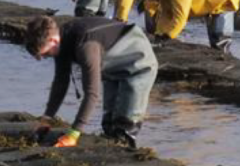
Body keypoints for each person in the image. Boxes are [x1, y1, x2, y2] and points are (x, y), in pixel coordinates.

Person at [24, 14, 158, 148]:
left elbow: (92, 94)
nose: (46, 57)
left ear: (53, 40)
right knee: (109, 124)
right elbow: (60, 83)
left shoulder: (86, 46)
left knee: (124, 127)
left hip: (139, 63)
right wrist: (47, 118)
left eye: (46, 54)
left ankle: (125, 157)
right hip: (113, 67)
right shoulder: (62, 41)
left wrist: (74, 133)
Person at [137, 0, 240, 53]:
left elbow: (180, 17)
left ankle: (225, 65)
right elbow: (167, 15)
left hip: (223, 0)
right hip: (208, 2)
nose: (152, 0)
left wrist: (167, 36)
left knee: (220, 41)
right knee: (214, 42)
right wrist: (159, 34)